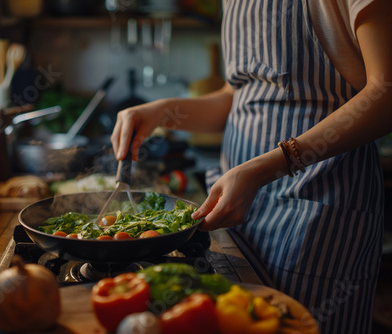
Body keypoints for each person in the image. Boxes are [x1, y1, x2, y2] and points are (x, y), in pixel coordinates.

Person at [110, 0, 392, 333]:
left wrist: (270, 165)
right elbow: (240, 96)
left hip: (316, 215)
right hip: (240, 215)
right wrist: (162, 111)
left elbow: (385, 93)